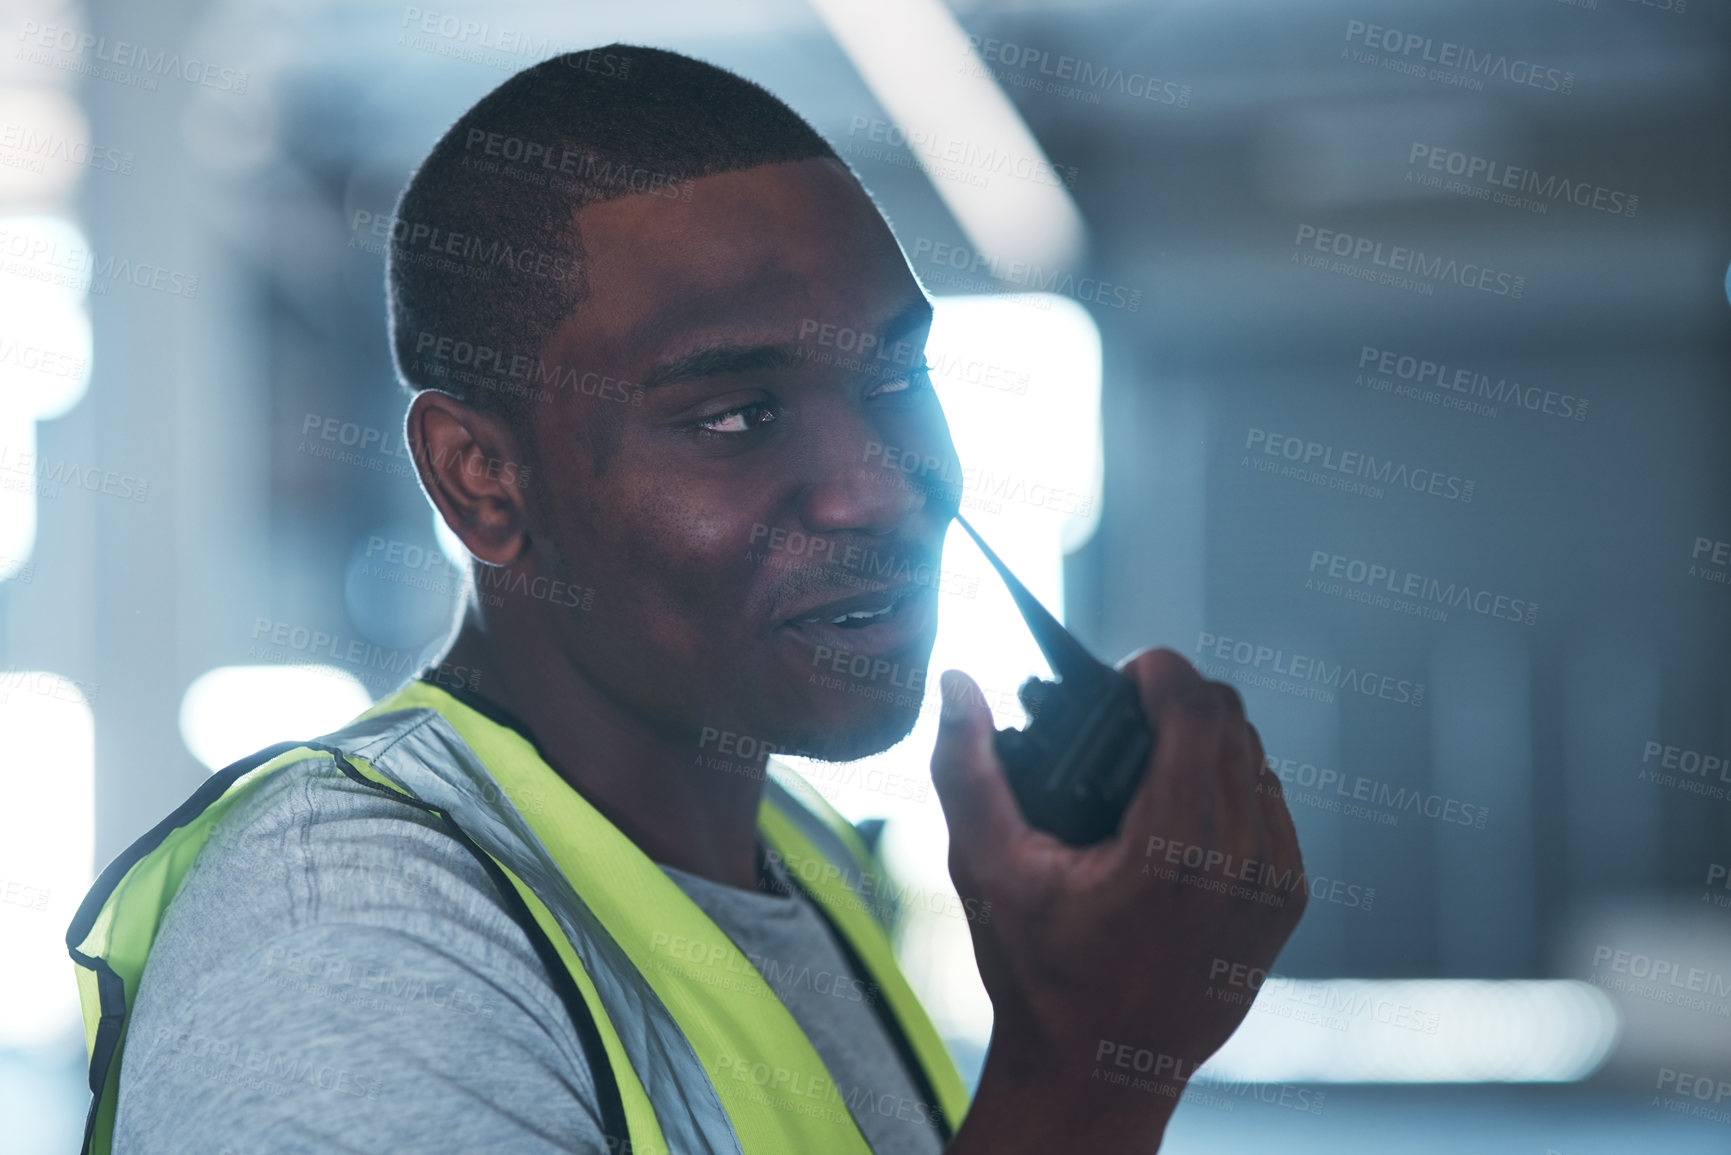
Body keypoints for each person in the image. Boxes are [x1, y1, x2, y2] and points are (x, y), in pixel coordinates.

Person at [68, 45, 1306, 1155]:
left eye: (894, 380)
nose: (879, 491)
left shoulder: (800, 857)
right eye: (735, 416)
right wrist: (1088, 1070)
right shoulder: (340, 944)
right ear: (481, 480)